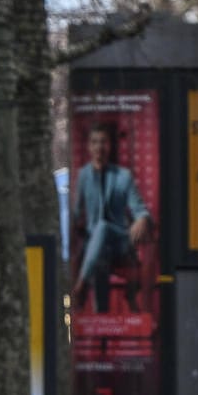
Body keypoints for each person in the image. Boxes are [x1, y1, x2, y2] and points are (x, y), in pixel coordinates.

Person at [70, 122, 154, 314]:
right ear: (89, 147)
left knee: (103, 227)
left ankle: (80, 285)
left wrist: (142, 219)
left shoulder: (123, 176)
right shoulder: (83, 176)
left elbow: (139, 208)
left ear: (109, 146)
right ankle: (102, 315)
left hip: (120, 240)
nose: (99, 147)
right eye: (94, 142)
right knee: (100, 257)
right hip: (93, 245)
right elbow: (76, 212)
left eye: (103, 142)